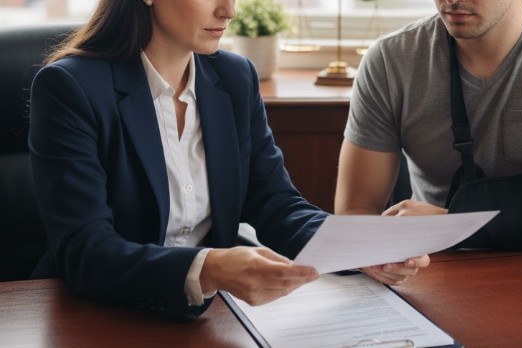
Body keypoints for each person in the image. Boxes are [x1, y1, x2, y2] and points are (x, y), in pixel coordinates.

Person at [29, 0, 428, 320]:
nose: (229, 10)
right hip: (100, 316)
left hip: (213, 316)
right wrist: (209, 268)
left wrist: (361, 248)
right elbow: (85, 250)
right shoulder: (72, 88)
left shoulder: (234, 77)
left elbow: (275, 202)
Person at [336, 0, 522, 246]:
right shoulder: (389, 60)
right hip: (433, 269)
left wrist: (449, 225)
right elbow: (355, 212)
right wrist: (378, 258)